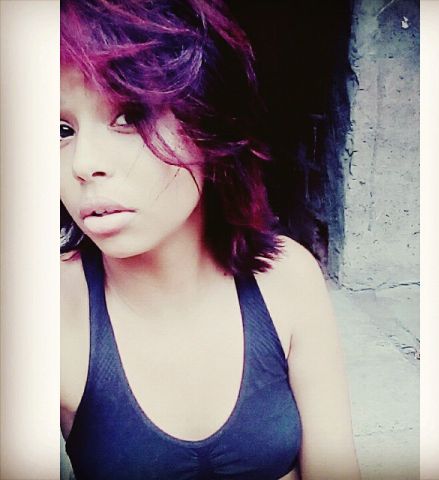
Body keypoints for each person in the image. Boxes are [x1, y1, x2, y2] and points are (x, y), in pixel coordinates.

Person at [60, 0, 360, 479]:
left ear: (209, 123)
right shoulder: (51, 311)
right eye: (61, 130)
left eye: (130, 116)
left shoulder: (287, 279)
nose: (83, 163)